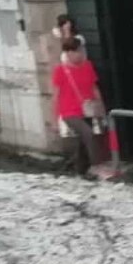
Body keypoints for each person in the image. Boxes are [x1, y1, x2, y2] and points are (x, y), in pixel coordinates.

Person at [51, 36, 103, 177]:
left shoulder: (88, 66)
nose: (79, 54)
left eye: (80, 50)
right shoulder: (60, 70)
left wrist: (100, 107)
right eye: (76, 51)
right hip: (69, 111)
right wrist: (55, 119)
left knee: (83, 140)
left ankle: (80, 168)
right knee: (88, 134)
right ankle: (96, 165)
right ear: (68, 53)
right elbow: (56, 95)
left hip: (87, 109)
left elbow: (94, 88)